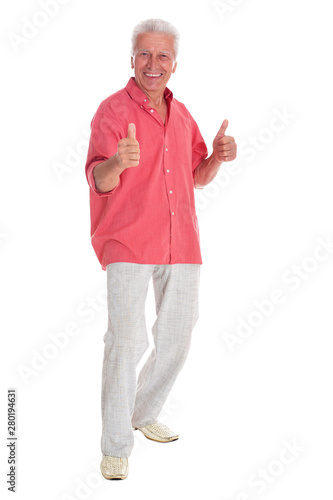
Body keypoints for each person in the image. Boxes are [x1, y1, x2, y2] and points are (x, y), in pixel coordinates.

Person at [84, 18, 237, 480]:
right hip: (129, 239)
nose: (154, 64)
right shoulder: (111, 111)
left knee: (178, 335)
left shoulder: (184, 114)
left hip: (181, 240)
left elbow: (196, 177)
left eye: (163, 56)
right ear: (132, 59)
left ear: (175, 63)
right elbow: (98, 178)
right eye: (145, 54)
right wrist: (117, 161)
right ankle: (115, 445)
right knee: (126, 342)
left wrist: (215, 158)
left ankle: (143, 411)